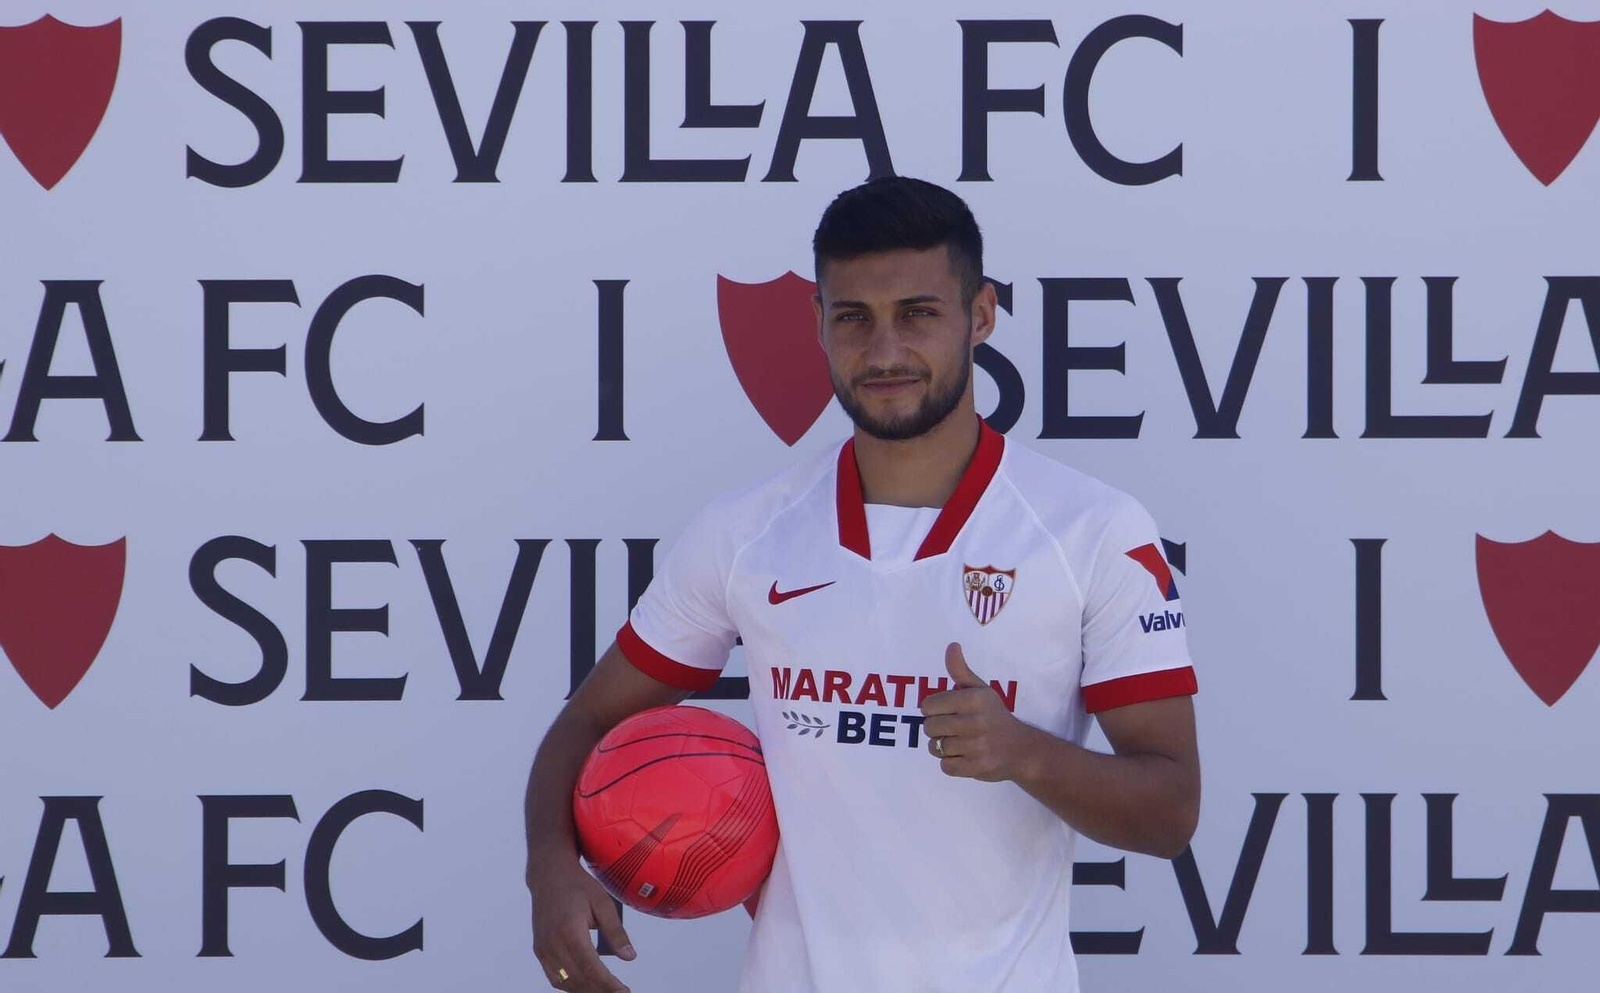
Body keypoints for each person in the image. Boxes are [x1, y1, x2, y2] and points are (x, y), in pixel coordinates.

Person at [524, 176, 1201, 993]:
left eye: (918, 313)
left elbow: (1171, 809)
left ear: (980, 315)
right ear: (817, 323)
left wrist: (1022, 751)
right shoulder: (747, 535)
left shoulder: (1091, 531)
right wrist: (552, 868)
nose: (884, 352)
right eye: (854, 318)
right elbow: (590, 721)